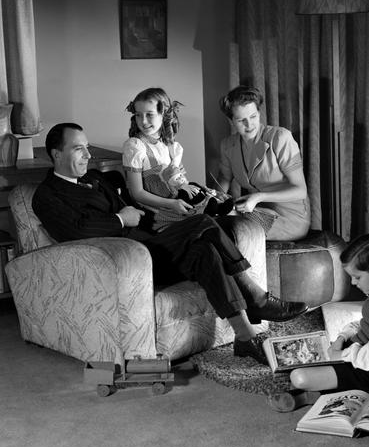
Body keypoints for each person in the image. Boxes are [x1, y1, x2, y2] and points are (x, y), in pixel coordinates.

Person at [32, 123, 309, 365]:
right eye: (79, 149)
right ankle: (256, 297)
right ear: (56, 154)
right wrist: (120, 219)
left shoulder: (95, 178)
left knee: (206, 245)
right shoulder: (47, 195)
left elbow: (136, 206)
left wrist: (177, 207)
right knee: (201, 225)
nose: (88, 155)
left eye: (87, 147)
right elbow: (76, 231)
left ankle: (244, 334)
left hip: (153, 247)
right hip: (125, 264)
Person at [289, 231, 369, 405]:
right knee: (303, 355)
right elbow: (365, 323)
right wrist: (342, 338)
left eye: (357, 277)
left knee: (298, 377)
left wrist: (342, 355)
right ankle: (318, 389)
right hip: (358, 351)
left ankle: (311, 395)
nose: (353, 282)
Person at [123, 87, 233, 232]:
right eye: (138, 115)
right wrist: (171, 204)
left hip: (176, 200)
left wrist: (196, 189)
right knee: (208, 225)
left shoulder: (168, 145)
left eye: (150, 115)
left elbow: (180, 183)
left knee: (223, 212)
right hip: (158, 209)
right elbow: (136, 193)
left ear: (164, 114)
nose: (143, 121)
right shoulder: (135, 146)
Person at [217, 85, 311, 240]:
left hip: (290, 218)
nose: (249, 125)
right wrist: (215, 198)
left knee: (233, 230)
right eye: (241, 120)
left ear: (259, 113)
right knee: (215, 222)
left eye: (253, 117)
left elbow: (300, 190)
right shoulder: (228, 145)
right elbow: (224, 179)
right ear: (231, 120)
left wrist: (258, 197)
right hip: (257, 211)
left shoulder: (280, 138)